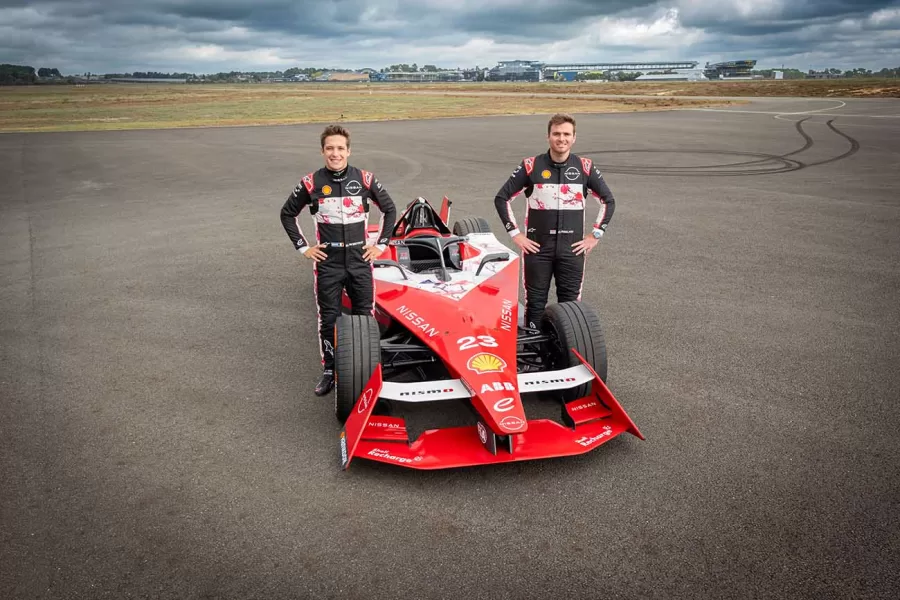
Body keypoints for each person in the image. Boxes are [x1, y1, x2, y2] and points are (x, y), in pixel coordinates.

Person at [281, 125, 397, 396]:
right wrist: (303, 248)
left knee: (365, 317)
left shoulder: (366, 179)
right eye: (330, 148)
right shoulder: (310, 182)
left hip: (359, 260)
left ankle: (366, 373)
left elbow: (390, 210)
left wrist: (380, 245)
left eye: (340, 148)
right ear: (322, 151)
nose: (335, 153)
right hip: (328, 262)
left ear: (349, 151)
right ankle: (331, 370)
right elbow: (287, 214)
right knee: (329, 319)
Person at [493, 113, 616, 331]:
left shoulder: (585, 167)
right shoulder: (531, 165)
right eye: (556, 134)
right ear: (548, 136)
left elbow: (609, 201)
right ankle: (534, 356)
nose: (562, 138)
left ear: (574, 137)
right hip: (537, 249)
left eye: (566, 134)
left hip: (572, 250)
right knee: (535, 304)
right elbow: (502, 198)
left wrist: (595, 235)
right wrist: (516, 234)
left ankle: (567, 353)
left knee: (570, 306)